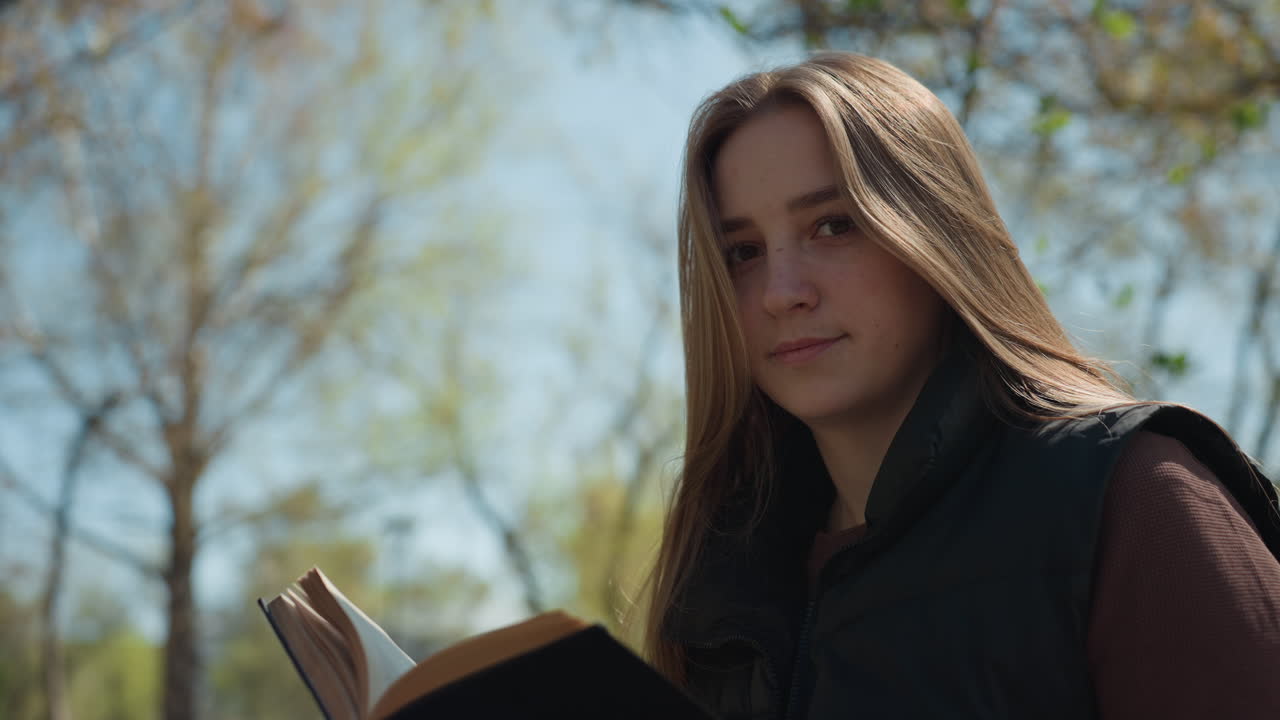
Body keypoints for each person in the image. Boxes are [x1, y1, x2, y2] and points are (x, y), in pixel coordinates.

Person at [637, 52, 1280, 719]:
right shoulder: (721, 582)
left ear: (934, 232)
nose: (780, 293)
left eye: (833, 225)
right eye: (742, 252)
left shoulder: (1130, 494)